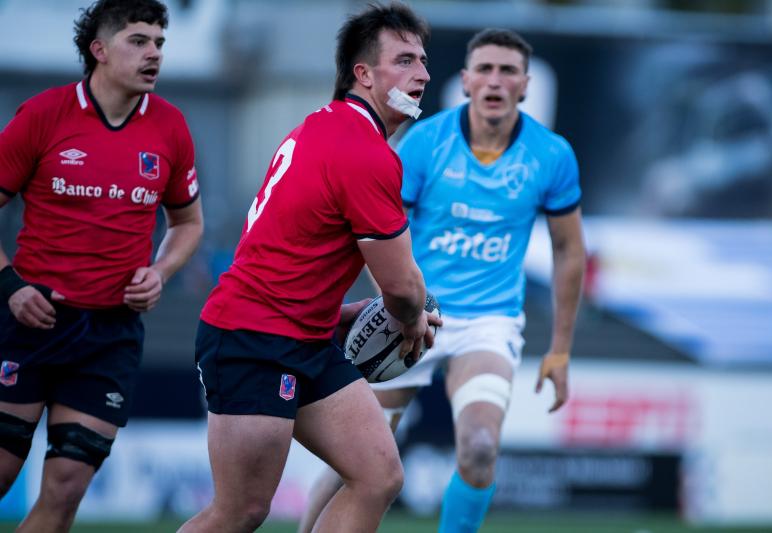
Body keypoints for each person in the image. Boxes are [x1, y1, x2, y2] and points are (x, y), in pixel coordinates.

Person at [299, 28, 586, 533]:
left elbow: (569, 250)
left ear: (525, 84)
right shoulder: (425, 142)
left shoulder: (552, 155)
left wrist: (560, 350)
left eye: (508, 71)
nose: (495, 81)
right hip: (415, 313)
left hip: (488, 323)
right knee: (358, 460)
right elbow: (375, 236)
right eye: (486, 69)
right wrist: (396, 311)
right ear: (466, 79)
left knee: (479, 448)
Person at [178, 3, 440, 533]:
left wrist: (337, 312)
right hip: (252, 336)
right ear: (363, 75)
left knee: (378, 474)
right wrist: (411, 320)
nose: (424, 75)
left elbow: (290, 249)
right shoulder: (362, 150)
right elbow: (402, 286)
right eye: (406, 60)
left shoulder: (323, 127)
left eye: (424, 61)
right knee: (239, 512)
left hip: (303, 334)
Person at [0, 1, 203, 531]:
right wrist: (9, 286)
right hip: (28, 323)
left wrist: (160, 271)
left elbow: (188, 224)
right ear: (100, 50)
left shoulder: (170, 128)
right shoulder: (43, 116)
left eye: (159, 42)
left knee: (65, 491)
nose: (154, 53)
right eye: (139, 41)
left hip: (109, 336)